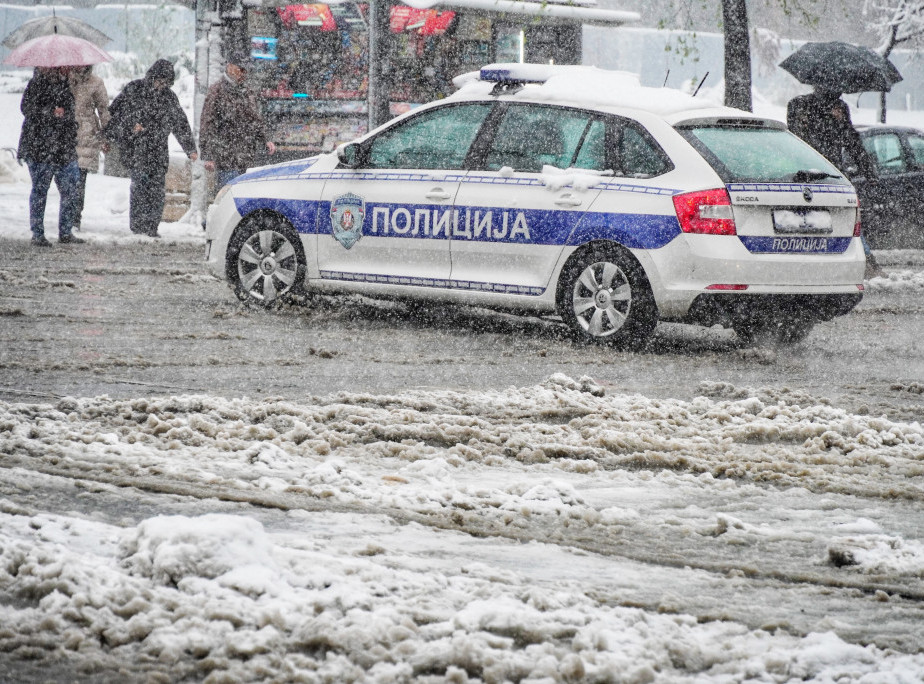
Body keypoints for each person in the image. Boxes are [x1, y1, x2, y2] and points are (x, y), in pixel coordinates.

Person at [787, 87, 883, 278]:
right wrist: (869, 174)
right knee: (841, 220)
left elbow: (850, 141)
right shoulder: (804, 106)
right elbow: (852, 143)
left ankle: (809, 264)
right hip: (827, 175)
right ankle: (865, 263)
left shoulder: (803, 105)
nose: (839, 92)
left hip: (814, 175)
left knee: (815, 220)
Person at [104, 59, 198, 237]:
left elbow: (180, 124)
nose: (162, 86)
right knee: (140, 187)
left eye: (166, 83)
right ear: (152, 77)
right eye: (160, 81)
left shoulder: (169, 98)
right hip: (136, 148)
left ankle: (152, 227)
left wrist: (190, 148)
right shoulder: (134, 90)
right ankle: (138, 227)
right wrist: (128, 128)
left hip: (158, 149)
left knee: (157, 191)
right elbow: (114, 115)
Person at [17, 66, 84, 247]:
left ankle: (66, 231)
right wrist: (50, 112)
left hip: (63, 148)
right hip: (40, 148)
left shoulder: (66, 86)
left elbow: (70, 113)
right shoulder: (36, 84)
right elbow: (26, 109)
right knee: (40, 190)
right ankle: (37, 233)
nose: (67, 69)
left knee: (70, 189)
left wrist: (66, 117)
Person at [199, 53, 275, 194]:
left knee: (244, 198)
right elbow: (207, 124)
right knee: (227, 196)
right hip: (226, 157)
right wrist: (208, 155)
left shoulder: (247, 91)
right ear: (230, 67)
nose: (243, 73)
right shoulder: (217, 91)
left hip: (246, 157)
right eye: (241, 69)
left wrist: (266, 138)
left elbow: (255, 119)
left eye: (245, 70)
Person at [68, 65, 110, 231]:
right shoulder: (63, 79)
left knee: (79, 178)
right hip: (65, 134)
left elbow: (104, 110)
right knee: (67, 180)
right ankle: (68, 217)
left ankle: (74, 218)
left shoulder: (96, 83)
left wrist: (106, 136)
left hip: (86, 135)